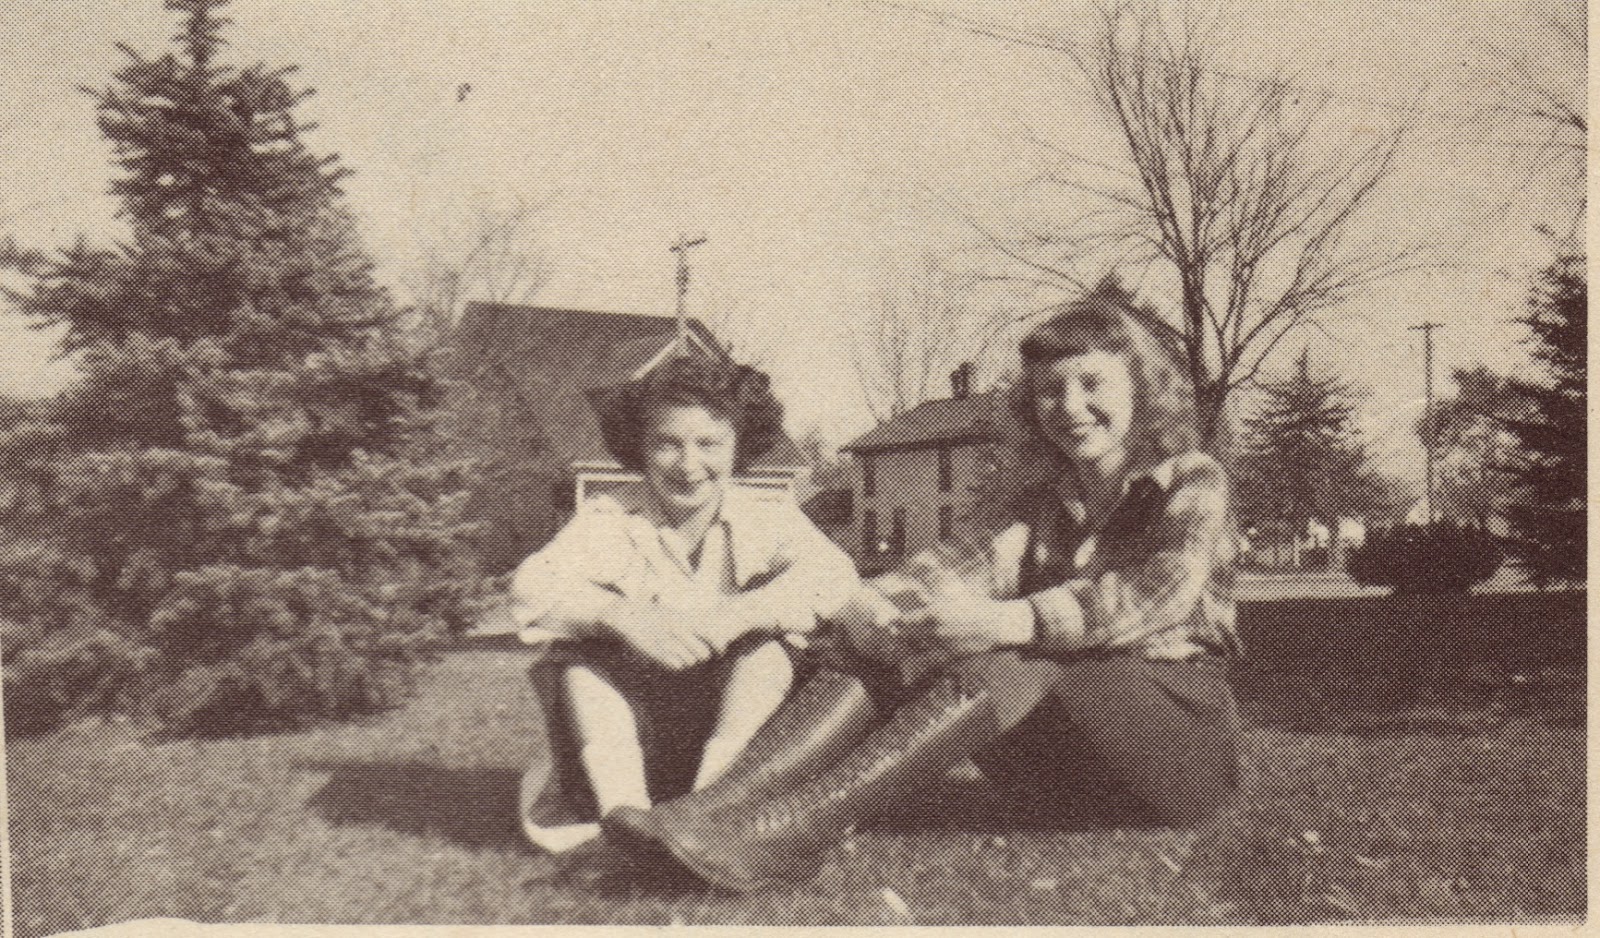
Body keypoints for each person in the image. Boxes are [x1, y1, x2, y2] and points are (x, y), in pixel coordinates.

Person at [602, 284, 1245, 891]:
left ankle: (791, 833)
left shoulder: (1192, 480)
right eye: (1050, 391)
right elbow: (949, 569)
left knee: (1004, 657)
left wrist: (1008, 621)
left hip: (1177, 751)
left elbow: (1155, 593)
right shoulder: (1039, 502)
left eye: (1091, 383)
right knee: (891, 649)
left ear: (1141, 386)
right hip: (1067, 769)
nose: (1070, 407)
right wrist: (872, 610)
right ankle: (707, 811)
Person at [510, 355, 860, 854]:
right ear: (640, 446)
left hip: (737, 729)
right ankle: (624, 812)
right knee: (580, 664)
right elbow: (530, 586)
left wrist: (738, 614)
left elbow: (835, 575)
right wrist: (621, 615)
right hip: (638, 729)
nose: (689, 465)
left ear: (739, 445)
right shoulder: (611, 517)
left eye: (709, 444)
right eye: (667, 444)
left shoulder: (767, 515)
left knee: (767, 651)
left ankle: (713, 805)